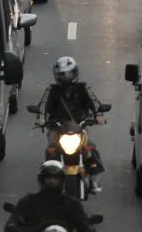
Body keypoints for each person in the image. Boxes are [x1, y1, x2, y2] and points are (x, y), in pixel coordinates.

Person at [4, 161, 101, 232]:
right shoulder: (30, 200)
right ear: (42, 179)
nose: (51, 181)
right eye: (48, 178)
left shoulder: (72, 203)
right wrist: (12, 226)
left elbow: (83, 222)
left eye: (56, 178)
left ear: (62, 180)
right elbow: (16, 217)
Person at [40, 57, 110, 192]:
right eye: (62, 74)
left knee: (91, 147)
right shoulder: (52, 90)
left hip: (80, 126)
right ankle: (47, 178)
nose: (66, 77)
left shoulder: (83, 88)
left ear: (75, 73)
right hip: (58, 127)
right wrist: (41, 119)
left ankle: (95, 179)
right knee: (51, 149)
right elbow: (43, 106)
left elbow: (94, 102)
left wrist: (99, 115)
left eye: (69, 73)